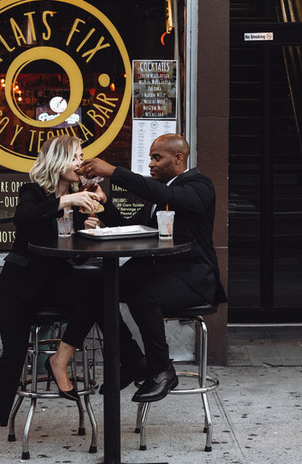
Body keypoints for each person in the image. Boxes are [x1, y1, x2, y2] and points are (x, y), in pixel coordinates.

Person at [0, 136, 104, 464]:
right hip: (18, 289)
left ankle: (60, 358)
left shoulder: (80, 201)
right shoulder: (31, 191)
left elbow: (73, 256)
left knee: (98, 290)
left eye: (82, 156)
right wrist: (66, 200)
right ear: (60, 159)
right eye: (76, 156)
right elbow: (24, 219)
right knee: (12, 358)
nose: (82, 161)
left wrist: (88, 231)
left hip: (55, 289)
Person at [82, 133, 226, 405]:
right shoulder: (159, 195)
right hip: (158, 272)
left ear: (178, 159)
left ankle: (162, 369)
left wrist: (113, 172)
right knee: (98, 288)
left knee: (143, 294)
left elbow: (167, 194)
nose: (150, 164)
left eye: (157, 158)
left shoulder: (199, 186)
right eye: (150, 157)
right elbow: (133, 228)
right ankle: (134, 360)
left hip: (192, 278)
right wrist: (104, 203)